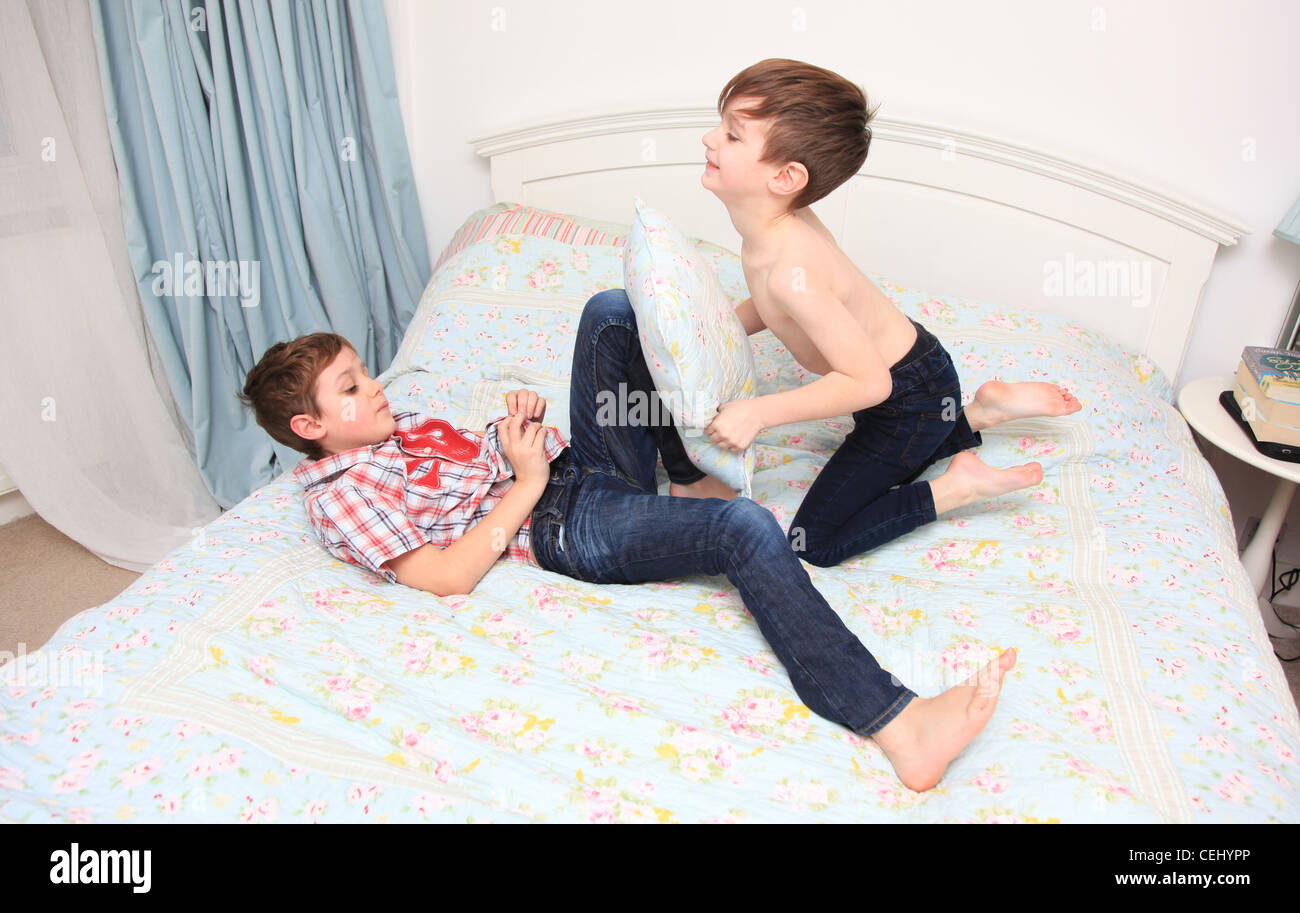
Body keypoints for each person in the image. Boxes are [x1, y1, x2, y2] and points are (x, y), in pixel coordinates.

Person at [238, 292, 1017, 791]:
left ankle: (681, 474)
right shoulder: (346, 493)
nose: (375, 385)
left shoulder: (387, 430)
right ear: (310, 429)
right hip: (563, 521)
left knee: (610, 312)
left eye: (363, 371)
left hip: (573, 469)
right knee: (743, 528)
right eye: (351, 387)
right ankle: (895, 722)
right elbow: (442, 574)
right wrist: (528, 482)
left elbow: (466, 469)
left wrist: (516, 433)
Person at [699, 58, 1082, 568]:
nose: (709, 138)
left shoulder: (792, 263)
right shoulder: (774, 230)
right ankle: (980, 413)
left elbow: (869, 383)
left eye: (732, 135)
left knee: (814, 543)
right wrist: (714, 330)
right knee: (901, 448)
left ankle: (956, 487)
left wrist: (758, 412)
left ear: (787, 176)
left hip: (904, 399)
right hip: (916, 377)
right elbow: (772, 306)